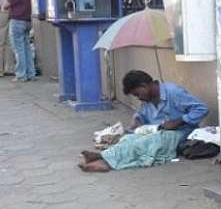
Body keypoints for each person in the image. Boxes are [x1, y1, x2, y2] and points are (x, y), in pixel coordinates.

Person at [78, 70, 209, 173]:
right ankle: (103, 156)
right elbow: (141, 115)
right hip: (158, 131)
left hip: (181, 133)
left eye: (137, 94)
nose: (138, 98)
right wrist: (137, 120)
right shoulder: (147, 100)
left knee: (145, 142)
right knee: (128, 139)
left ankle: (106, 163)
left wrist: (180, 120)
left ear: (144, 86)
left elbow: (202, 109)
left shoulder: (174, 92)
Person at [1, 0, 34, 82]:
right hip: (27, 21)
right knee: (26, 48)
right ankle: (30, 73)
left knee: (18, 49)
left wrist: (6, 7)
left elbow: (6, 5)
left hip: (17, 21)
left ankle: (21, 74)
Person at [0, 0, 16, 75]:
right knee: (8, 41)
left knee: (1, 43)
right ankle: (9, 67)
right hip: (8, 13)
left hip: (1, 11)